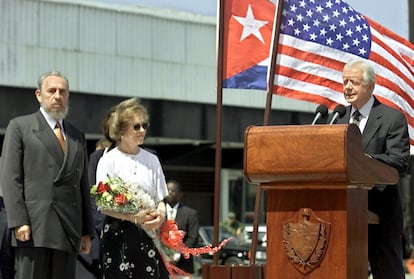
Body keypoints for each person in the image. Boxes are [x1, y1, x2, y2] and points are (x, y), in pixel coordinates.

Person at [0, 71, 94, 279]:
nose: (57, 96)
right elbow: (10, 177)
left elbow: (82, 185)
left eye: (62, 91)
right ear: (39, 95)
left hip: (69, 228)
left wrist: (86, 230)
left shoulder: (77, 135)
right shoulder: (20, 127)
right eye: (51, 91)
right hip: (34, 227)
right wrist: (18, 220)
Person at [336, 60, 410, 279]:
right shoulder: (337, 118)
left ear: (370, 86)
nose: (347, 87)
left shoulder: (391, 118)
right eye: (345, 81)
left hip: (380, 214)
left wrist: (367, 160)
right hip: (342, 214)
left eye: (354, 82)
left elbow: (400, 162)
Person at [95, 97, 169, 279]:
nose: (142, 130)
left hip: (150, 235)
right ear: (120, 130)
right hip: (118, 235)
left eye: (144, 125)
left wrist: (160, 215)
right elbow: (103, 204)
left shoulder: (152, 160)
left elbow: (161, 199)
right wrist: (133, 217)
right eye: (136, 126)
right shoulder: (108, 160)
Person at [164, 180, 199, 276]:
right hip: (161, 264)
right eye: (167, 190)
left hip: (183, 265)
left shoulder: (190, 214)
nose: (170, 192)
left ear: (180, 194)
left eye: (173, 190)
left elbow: (193, 237)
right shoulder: (157, 213)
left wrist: (178, 253)